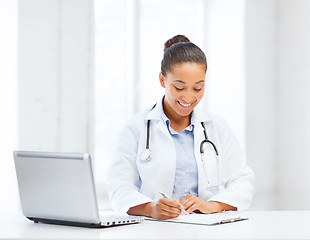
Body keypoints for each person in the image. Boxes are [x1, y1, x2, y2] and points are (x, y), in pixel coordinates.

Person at [106, 35, 254, 220]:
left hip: (206, 229)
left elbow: (242, 181)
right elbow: (119, 186)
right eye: (179, 87)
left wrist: (210, 205)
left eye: (198, 88)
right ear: (162, 80)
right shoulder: (136, 127)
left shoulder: (218, 127)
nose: (188, 97)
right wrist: (149, 208)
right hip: (154, 230)